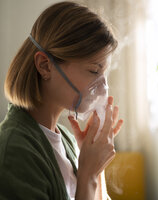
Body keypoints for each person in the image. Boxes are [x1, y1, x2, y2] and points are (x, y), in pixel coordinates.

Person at [0, 1, 123, 200]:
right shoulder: (15, 149)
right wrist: (88, 175)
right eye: (93, 71)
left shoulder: (65, 140)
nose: (102, 87)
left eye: (103, 73)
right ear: (45, 66)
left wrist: (94, 166)